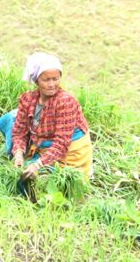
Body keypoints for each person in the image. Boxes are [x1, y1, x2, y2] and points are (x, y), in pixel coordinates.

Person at [7, 52, 94, 190]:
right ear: (36, 81)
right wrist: (18, 153)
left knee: (31, 183)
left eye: (55, 79)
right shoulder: (28, 99)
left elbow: (62, 143)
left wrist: (38, 165)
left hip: (69, 151)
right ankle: (18, 157)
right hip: (44, 141)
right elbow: (19, 131)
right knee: (10, 118)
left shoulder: (65, 102)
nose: (52, 84)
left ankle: (40, 164)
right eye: (46, 80)